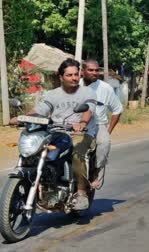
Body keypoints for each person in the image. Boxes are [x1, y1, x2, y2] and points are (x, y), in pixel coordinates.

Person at [15, 58, 97, 210]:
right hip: (56, 131)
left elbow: (88, 110)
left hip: (80, 132)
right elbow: (40, 110)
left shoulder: (87, 92)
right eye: (69, 75)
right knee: (35, 148)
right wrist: (22, 117)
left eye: (76, 74)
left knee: (77, 152)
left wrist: (82, 123)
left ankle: (81, 193)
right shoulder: (52, 94)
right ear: (61, 77)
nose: (74, 78)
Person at [80, 59, 123, 189]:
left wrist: (108, 130)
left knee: (104, 142)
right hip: (74, 124)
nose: (94, 73)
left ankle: (96, 173)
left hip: (98, 124)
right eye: (90, 70)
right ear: (83, 71)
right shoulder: (74, 85)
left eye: (96, 70)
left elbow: (117, 109)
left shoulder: (105, 88)